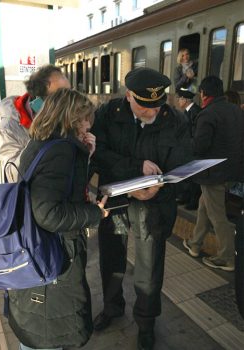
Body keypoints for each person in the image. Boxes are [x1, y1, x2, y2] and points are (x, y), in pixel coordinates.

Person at [91, 67, 192, 350]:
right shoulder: (109, 114)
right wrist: (136, 171)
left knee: (150, 267)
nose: (152, 112)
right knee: (111, 256)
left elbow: (183, 166)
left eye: (158, 106)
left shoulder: (176, 121)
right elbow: (98, 153)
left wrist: (159, 187)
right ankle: (112, 308)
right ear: (128, 96)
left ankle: (146, 323)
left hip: (154, 206)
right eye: (145, 106)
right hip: (118, 203)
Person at [7, 88, 109, 350]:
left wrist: (85, 156)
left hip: (34, 249)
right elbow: (49, 214)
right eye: (86, 119)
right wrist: (94, 213)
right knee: (47, 333)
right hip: (52, 255)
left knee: (36, 331)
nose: (89, 124)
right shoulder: (61, 151)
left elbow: (63, 190)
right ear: (73, 119)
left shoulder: (41, 142)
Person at [183, 76, 244, 271]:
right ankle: (195, 243)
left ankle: (227, 257)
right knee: (205, 205)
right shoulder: (235, 110)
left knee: (217, 215)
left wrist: (185, 147)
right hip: (232, 171)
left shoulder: (207, 114)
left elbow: (200, 146)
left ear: (203, 93)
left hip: (212, 173)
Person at [0, 64, 70, 182]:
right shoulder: (10, 126)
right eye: (60, 98)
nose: (67, 103)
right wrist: (40, 139)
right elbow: (13, 175)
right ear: (39, 102)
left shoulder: (64, 116)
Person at [176, 88, 202, 210]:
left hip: (194, 149)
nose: (178, 101)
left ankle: (193, 201)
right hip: (187, 148)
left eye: (179, 98)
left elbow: (195, 132)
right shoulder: (188, 111)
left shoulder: (195, 112)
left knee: (194, 177)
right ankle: (186, 197)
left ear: (185, 100)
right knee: (187, 175)